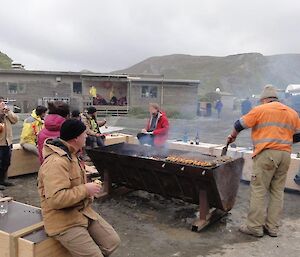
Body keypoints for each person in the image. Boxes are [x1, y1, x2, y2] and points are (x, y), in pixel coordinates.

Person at [38, 119, 120, 257]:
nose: (86, 136)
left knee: (112, 242)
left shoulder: (73, 154)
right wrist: (86, 190)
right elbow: (56, 199)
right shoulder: (56, 163)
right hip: (63, 221)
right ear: (76, 138)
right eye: (84, 134)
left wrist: (89, 189)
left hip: (81, 211)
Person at [227, 85, 300, 238]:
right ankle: (272, 228)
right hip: (285, 154)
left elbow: (239, 124)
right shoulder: (292, 113)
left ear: (264, 99)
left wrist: (232, 136)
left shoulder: (260, 110)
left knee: (259, 189)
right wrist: (283, 142)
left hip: (267, 154)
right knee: (277, 191)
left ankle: (254, 227)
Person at [0, 96, 18, 190]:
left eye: (3, 102)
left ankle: (3, 180)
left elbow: (15, 120)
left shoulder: (6, 113)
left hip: (7, 142)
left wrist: (8, 112)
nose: (2, 104)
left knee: (6, 162)